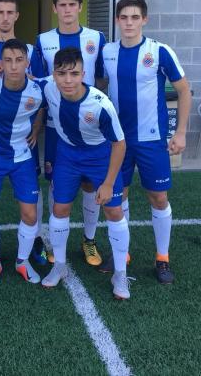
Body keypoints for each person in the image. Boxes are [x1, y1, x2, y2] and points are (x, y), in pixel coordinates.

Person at [101, 0, 191, 284]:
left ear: (144, 20)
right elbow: (98, 87)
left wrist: (180, 132)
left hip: (151, 140)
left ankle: (162, 257)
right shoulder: (107, 52)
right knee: (119, 197)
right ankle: (122, 254)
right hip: (118, 141)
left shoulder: (159, 51)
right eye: (124, 17)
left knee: (158, 197)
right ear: (117, 20)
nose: (129, 23)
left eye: (135, 17)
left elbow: (184, 91)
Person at [34, 48, 131, 300]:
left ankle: (120, 273)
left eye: (74, 74)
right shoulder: (48, 87)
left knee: (114, 211)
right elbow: (23, 78)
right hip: (67, 155)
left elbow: (119, 144)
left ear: (83, 74)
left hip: (99, 156)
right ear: (53, 74)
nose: (68, 80)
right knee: (59, 209)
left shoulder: (100, 104)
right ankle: (60, 266)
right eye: (61, 73)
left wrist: (108, 183)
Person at [30, 0, 108, 268]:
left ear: (80, 7)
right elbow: (40, 86)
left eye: (72, 5)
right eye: (62, 5)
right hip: (56, 127)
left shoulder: (96, 38)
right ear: (54, 8)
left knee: (89, 184)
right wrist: (38, 125)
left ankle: (89, 239)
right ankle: (54, 239)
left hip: (90, 127)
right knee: (55, 182)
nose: (67, 10)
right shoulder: (43, 40)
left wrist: (94, 109)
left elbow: (101, 79)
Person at [0, 0, 48, 266]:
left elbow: (42, 92)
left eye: (10, 12)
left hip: (23, 146)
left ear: (17, 16)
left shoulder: (30, 52)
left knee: (31, 197)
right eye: (0, 12)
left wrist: (37, 127)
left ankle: (34, 240)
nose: (5, 17)